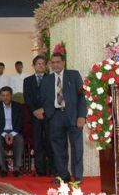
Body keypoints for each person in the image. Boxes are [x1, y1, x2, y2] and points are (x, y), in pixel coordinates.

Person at [35, 53, 87, 183]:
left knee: (77, 147)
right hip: (55, 116)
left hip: (73, 115)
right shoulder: (47, 79)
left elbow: (82, 97)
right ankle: (64, 176)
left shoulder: (74, 75)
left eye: (58, 62)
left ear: (63, 63)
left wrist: (82, 116)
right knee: (58, 149)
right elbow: (43, 99)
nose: (55, 65)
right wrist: (47, 112)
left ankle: (78, 177)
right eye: (53, 63)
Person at [23, 55, 54, 176]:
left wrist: (44, 109)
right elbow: (27, 98)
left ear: (46, 66)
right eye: (38, 64)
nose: (40, 66)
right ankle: (40, 170)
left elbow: (52, 97)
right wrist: (35, 111)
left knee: (50, 142)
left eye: (43, 64)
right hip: (34, 116)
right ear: (33, 66)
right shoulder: (27, 80)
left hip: (49, 115)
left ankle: (52, 169)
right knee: (37, 143)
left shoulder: (51, 79)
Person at [0, 86, 25, 177]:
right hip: (1, 132)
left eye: (7, 95)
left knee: (20, 139)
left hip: (15, 131)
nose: (5, 98)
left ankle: (17, 168)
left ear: (11, 96)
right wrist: (5, 134)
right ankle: (3, 168)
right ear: (0, 96)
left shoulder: (18, 106)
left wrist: (11, 134)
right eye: (3, 95)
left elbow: (20, 123)